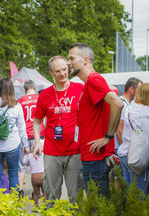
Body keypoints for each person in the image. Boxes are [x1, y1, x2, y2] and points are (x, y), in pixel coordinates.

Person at [67, 43, 123, 196]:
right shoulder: (90, 82)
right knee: (99, 207)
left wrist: (107, 137)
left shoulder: (93, 80)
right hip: (93, 155)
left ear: (85, 60)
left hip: (95, 157)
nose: (68, 63)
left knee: (96, 208)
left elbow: (118, 104)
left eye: (71, 58)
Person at [33, 55, 84, 204]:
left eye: (64, 69)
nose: (62, 73)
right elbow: (37, 121)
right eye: (57, 71)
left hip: (75, 151)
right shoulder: (45, 95)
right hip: (51, 151)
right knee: (51, 196)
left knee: (76, 196)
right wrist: (37, 142)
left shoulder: (80, 89)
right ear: (50, 73)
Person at [0, 78, 29, 195]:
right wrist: (25, 145)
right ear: (12, 89)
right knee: (13, 173)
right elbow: (21, 128)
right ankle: (13, 202)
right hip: (12, 145)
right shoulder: (16, 105)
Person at [117, 83, 149, 193]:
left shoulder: (129, 108)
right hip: (137, 156)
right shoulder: (146, 111)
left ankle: (127, 210)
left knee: (128, 191)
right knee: (139, 193)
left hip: (125, 153)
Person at [17, 80, 45, 197]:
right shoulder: (41, 98)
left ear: (24, 89)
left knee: (21, 165)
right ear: (34, 88)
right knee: (38, 164)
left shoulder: (20, 101)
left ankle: (21, 190)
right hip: (39, 134)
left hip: (24, 136)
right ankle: (36, 191)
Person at [115, 77, 143, 148]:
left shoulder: (127, 104)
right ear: (131, 89)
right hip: (119, 148)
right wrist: (124, 150)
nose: (141, 92)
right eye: (139, 89)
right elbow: (119, 132)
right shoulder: (123, 105)